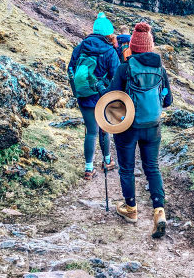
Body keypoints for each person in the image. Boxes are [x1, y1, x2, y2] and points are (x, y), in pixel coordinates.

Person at [106, 22, 172, 238]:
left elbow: (112, 98)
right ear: (150, 48)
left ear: (132, 47)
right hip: (153, 126)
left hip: (128, 126)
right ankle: (159, 211)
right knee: (152, 167)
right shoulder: (160, 69)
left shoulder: (124, 69)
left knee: (126, 168)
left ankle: (131, 209)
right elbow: (168, 100)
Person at [68, 13, 120, 179]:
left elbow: (70, 69)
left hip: (84, 95)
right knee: (104, 130)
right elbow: (116, 76)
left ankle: (88, 168)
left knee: (91, 131)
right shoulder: (110, 51)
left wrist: (76, 89)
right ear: (108, 33)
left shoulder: (81, 46)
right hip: (102, 96)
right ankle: (107, 160)